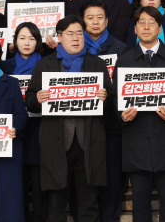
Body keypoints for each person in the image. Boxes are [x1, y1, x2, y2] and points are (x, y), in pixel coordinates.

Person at [25, 14, 111, 222]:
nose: (75, 38)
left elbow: (111, 99)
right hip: (56, 141)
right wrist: (37, 98)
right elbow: (29, 100)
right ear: (60, 37)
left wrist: (105, 97)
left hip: (88, 142)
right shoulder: (44, 65)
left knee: (89, 203)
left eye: (80, 33)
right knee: (55, 203)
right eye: (70, 34)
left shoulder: (96, 64)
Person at [112, 6, 165, 222]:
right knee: (139, 205)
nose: (146, 26)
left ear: (160, 28)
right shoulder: (124, 61)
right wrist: (122, 115)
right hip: (136, 143)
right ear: (135, 28)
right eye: (141, 22)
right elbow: (114, 98)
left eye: (151, 22)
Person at [80, 0, 127, 222]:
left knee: (111, 177)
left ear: (107, 21)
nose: (95, 22)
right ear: (82, 21)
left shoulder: (121, 49)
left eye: (100, 17)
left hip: (111, 123)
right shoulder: (75, 48)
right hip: (83, 123)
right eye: (90, 18)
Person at [0, 22, 44, 219]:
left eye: (32, 38)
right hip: (9, 134)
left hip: (39, 128)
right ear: (14, 41)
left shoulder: (46, 64)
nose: (27, 43)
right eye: (22, 38)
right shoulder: (4, 66)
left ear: (38, 42)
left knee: (39, 182)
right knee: (15, 188)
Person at [0, 35, 28, 222]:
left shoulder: (11, 83)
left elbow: (21, 114)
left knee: (7, 206)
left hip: (5, 151)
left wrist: (14, 127)